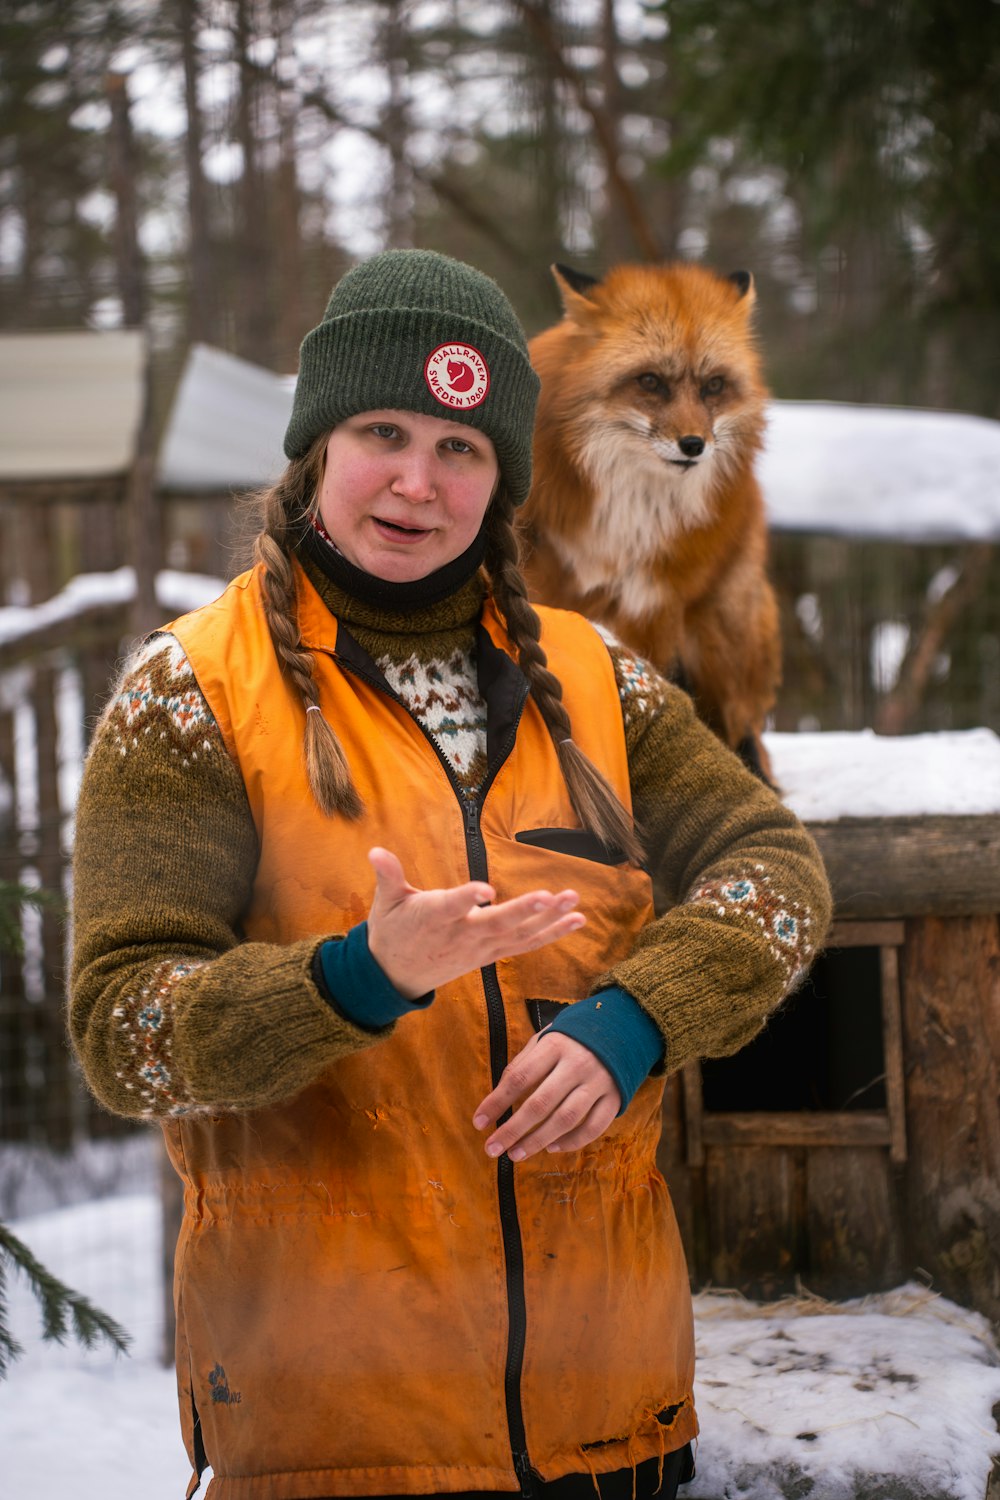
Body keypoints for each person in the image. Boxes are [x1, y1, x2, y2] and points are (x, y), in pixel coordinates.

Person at [69, 249, 832, 1500]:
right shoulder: (191, 692)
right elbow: (125, 1034)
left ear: (507, 480)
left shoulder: (593, 678)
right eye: (385, 432)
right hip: (333, 1429)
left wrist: (637, 1019)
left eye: (463, 448)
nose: (418, 483)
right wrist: (354, 980)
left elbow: (776, 868)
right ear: (319, 445)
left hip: (611, 1429)